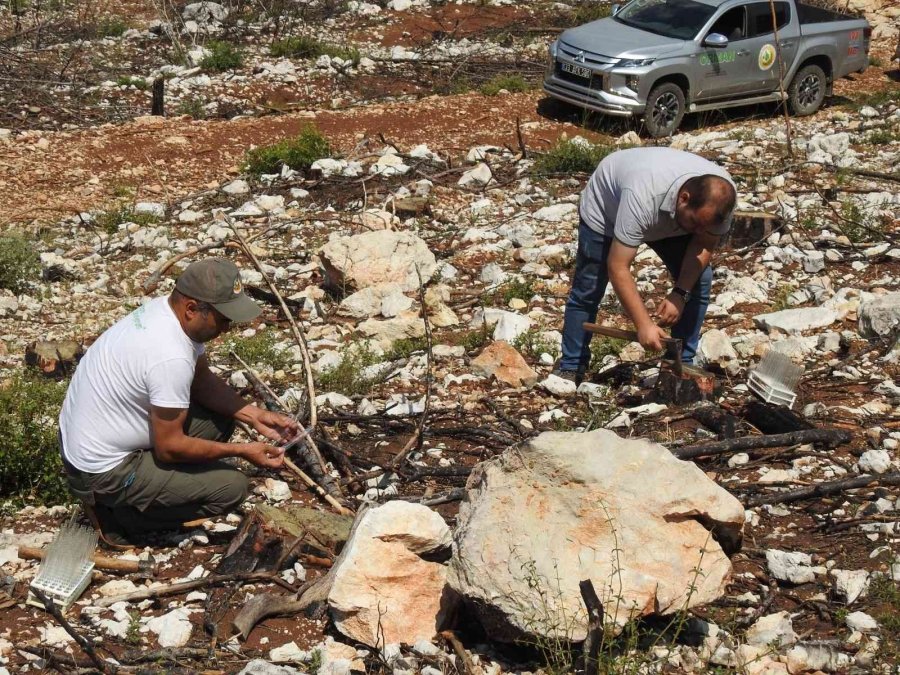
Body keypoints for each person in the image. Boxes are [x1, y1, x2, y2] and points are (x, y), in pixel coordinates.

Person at [58, 258, 299, 547]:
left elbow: (201, 380)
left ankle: (150, 489)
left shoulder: (166, 314)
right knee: (232, 488)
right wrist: (243, 451)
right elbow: (171, 448)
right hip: (101, 471)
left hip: (91, 441)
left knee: (220, 419)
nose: (228, 327)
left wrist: (254, 415)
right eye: (223, 318)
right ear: (192, 309)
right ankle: (121, 519)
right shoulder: (169, 355)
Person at [554, 146, 737, 382]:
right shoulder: (642, 194)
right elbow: (618, 266)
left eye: (706, 226)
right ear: (684, 199)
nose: (699, 231)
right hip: (607, 210)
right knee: (588, 288)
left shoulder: (721, 201)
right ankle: (571, 366)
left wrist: (680, 294)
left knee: (700, 281)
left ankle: (680, 366)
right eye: (695, 222)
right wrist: (643, 324)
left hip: (666, 216)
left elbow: (703, 244)